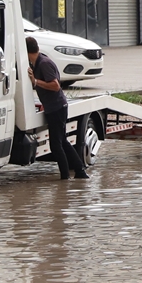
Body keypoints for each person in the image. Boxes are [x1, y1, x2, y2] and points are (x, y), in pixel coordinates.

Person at [26, 36, 88, 180]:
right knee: (63, 142)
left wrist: (35, 81)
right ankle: (79, 171)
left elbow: (55, 85)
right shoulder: (36, 64)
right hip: (53, 107)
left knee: (56, 145)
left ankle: (65, 177)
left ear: (27, 51)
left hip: (57, 108)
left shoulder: (44, 64)